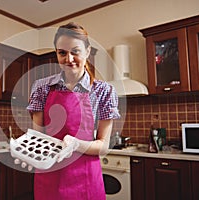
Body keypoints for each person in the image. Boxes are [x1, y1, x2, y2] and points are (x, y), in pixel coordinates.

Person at [26, 22, 120, 200]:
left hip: (85, 179)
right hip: (49, 178)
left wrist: (77, 144)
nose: (69, 59)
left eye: (75, 51)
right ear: (56, 53)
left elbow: (103, 145)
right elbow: (37, 138)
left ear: (87, 51)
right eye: (62, 52)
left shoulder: (104, 91)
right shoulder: (41, 88)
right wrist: (28, 152)